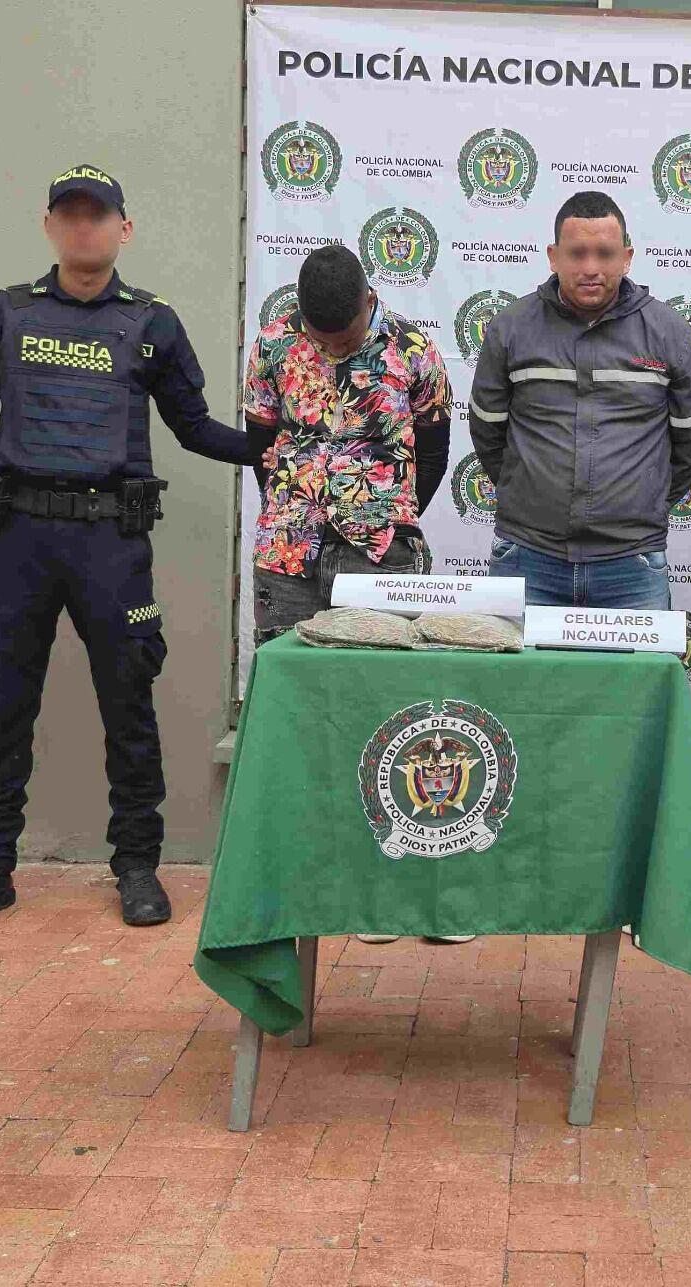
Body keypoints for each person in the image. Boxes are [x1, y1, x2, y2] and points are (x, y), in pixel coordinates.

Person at [0, 164, 265, 932]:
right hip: (21, 540)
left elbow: (193, 427)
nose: (85, 227)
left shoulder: (152, 323)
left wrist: (274, 448)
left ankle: (137, 867)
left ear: (124, 228)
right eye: (70, 214)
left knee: (129, 702)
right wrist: (23, 468)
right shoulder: (5, 314)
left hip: (112, 542)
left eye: (98, 214)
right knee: (4, 703)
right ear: (50, 226)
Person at [241, 244, 467, 946]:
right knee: (296, 709)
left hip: (380, 552)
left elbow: (434, 452)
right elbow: (260, 443)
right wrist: (298, 509)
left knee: (389, 710)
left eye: (342, 336)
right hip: (288, 554)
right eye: (321, 335)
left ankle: (398, 886)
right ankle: (313, 882)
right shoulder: (274, 345)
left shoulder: (413, 350)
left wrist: (386, 517)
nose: (332, 347)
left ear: (369, 301)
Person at [467, 191, 691, 609]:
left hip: (632, 564)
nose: (591, 268)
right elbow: (488, 431)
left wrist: (644, 499)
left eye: (605, 254)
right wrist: (528, 492)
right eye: (577, 253)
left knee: (638, 664)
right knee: (515, 660)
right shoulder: (510, 330)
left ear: (627, 257)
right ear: (553, 256)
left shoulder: (671, 334)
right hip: (527, 557)